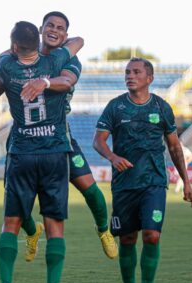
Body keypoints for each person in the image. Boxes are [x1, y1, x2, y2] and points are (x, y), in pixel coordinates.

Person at [0, 21, 83, 283]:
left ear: (13, 46)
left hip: (22, 153)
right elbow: (78, 41)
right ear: (37, 38)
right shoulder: (54, 60)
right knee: (55, 227)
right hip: (53, 154)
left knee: (10, 223)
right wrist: (46, 79)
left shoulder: (5, 63)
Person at [93, 58, 192, 283]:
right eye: (127, 72)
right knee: (127, 239)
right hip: (124, 185)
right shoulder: (115, 107)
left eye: (136, 72)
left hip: (154, 183)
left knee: (152, 235)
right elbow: (98, 141)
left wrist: (186, 181)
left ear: (149, 78)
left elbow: (174, 147)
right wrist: (113, 158)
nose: (130, 76)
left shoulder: (161, 107)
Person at [17, 11, 117, 262]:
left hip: (60, 138)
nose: (54, 30)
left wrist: (45, 82)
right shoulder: (24, 56)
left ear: (65, 35)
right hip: (25, 137)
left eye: (60, 28)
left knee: (91, 190)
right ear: (40, 29)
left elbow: (67, 81)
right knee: (15, 197)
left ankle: (103, 229)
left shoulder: (69, 59)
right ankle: (32, 231)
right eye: (50, 25)